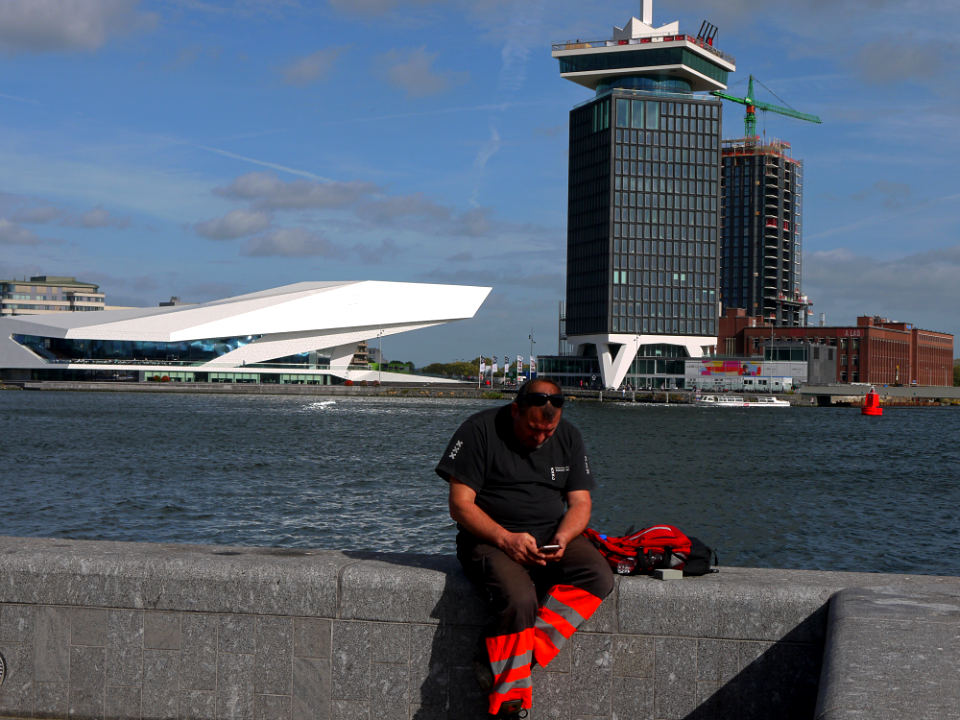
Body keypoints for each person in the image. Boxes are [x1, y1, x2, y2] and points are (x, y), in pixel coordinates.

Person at [435, 379, 614, 718]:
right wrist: (506, 539)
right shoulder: (478, 431)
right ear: (515, 409)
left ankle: (509, 657)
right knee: (520, 599)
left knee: (598, 577)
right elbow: (460, 505)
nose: (540, 438)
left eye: (548, 432)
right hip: (489, 540)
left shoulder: (569, 436)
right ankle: (508, 706)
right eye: (533, 430)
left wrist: (563, 536)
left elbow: (580, 504)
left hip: (550, 536)